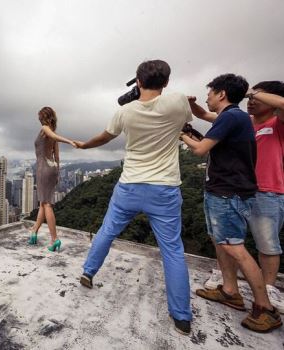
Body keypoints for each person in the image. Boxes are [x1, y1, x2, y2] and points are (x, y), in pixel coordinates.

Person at [75, 60, 193, 335]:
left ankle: (88, 272)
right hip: (164, 188)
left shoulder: (125, 111)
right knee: (172, 250)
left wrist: (83, 144)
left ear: (137, 82)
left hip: (129, 185)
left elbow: (104, 138)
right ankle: (182, 317)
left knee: (107, 231)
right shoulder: (177, 102)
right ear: (166, 82)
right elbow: (187, 121)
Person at [180, 74, 282, 333]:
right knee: (224, 242)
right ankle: (230, 291)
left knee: (236, 246)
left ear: (222, 94)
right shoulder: (238, 118)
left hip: (229, 193)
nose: (207, 97)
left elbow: (201, 149)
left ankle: (265, 307)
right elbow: (205, 120)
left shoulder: (231, 116)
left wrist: (182, 136)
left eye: (211, 92)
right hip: (226, 190)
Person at [203, 81, 284, 313]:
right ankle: (228, 285)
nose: (251, 101)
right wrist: (195, 106)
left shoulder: (278, 123)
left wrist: (250, 91)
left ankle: (267, 291)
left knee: (266, 244)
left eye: (257, 98)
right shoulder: (242, 121)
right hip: (236, 188)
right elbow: (210, 116)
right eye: (249, 98)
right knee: (226, 239)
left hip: (267, 190)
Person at [28, 106, 76, 252]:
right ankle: (34, 232)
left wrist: (70, 141)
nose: (39, 120)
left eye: (40, 117)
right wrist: (57, 173)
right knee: (43, 202)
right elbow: (57, 157)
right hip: (52, 168)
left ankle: (55, 239)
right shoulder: (52, 132)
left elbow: (54, 137)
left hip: (44, 169)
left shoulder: (45, 130)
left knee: (46, 204)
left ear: (43, 117)